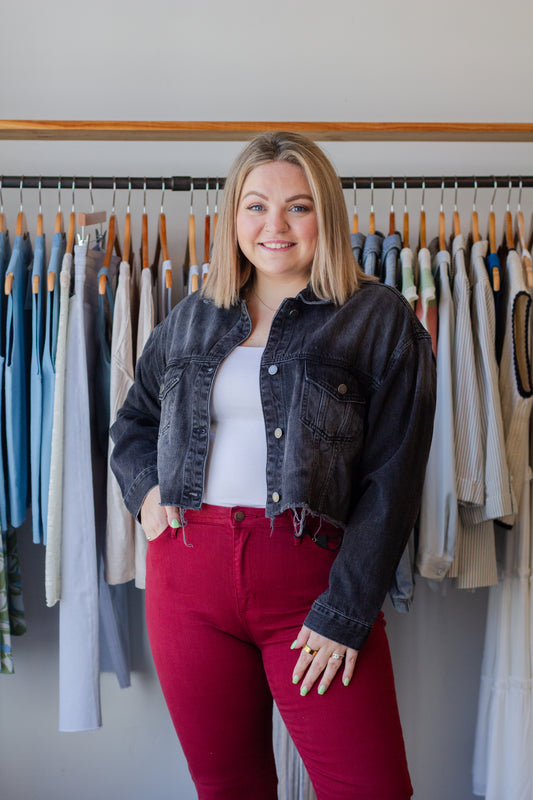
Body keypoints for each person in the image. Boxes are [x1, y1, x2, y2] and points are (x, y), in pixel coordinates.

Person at [110, 131, 436, 800]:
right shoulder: (190, 319)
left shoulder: (377, 318)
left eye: (298, 206)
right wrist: (145, 495)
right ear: (233, 217)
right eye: (255, 206)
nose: (274, 226)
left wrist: (344, 611)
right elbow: (132, 424)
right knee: (228, 787)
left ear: (328, 217)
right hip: (187, 581)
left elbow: (392, 478)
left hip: (311, 584)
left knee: (370, 789)